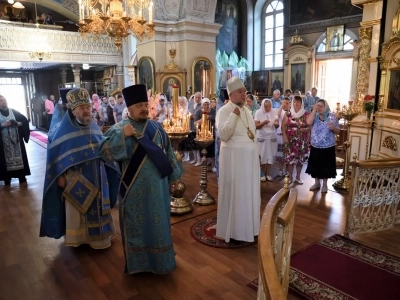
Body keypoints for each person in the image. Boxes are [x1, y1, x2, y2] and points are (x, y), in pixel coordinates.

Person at [98, 84, 183, 275]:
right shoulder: (119, 128)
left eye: (146, 104)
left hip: (159, 190)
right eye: (139, 105)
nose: (144, 108)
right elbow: (103, 152)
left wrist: (173, 178)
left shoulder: (157, 127)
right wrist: (122, 135)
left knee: (159, 226)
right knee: (137, 226)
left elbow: (168, 153)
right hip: (133, 190)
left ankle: (162, 261)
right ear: (129, 108)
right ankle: (140, 265)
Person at [40, 88, 120, 248]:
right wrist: (61, 176)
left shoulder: (94, 127)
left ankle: (100, 239)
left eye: (88, 107)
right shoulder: (63, 132)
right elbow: (57, 156)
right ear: (74, 111)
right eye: (82, 108)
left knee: (99, 207)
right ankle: (80, 240)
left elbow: (103, 148)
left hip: (99, 175)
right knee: (78, 210)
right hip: (76, 178)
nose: (86, 111)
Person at [216, 77, 260, 242]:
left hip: (249, 160)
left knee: (249, 193)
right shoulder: (224, 111)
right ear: (232, 94)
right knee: (237, 194)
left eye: (244, 91)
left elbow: (251, 134)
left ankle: (250, 228)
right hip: (235, 162)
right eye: (240, 91)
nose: (244, 94)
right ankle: (235, 231)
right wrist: (233, 116)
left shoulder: (247, 110)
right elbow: (224, 135)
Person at [306, 99, 340, 193]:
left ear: (326, 107)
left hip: (328, 146)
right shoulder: (315, 116)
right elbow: (308, 122)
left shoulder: (332, 116)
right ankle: (317, 183)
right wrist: (313, 110)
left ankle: (325, 185)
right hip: (315, 145)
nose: (319, 108)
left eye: (321, 106)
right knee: (315, 165)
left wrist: (334, 128)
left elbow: (338, 131)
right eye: (318, 106)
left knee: (326, 166)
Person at [0, 95, 30, 186]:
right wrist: (2, 125)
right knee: (4, 160)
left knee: (20, 158)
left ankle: (21, 176)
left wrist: (18, 123)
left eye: (4, 100)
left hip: (16, 141)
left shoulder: (14, 112)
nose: (4, 102)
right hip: (3, 143)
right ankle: (7, 178)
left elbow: (24, 121)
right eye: (1, 100)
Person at [282, 95, 310, 184]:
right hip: (290, 140)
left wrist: (305, 129)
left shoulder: (306, 114)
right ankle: (290, 177)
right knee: (291, 159)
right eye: (294, 101)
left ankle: (298, 177)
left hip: (302, 140)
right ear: (292, 103)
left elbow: (309, 127)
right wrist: (285, 137)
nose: (296, 103)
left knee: (300, 160)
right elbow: (283, 126)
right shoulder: (288, 113)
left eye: (298, 102)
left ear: (301, 103)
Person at [255, 99, 278, 182]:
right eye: (266, 106)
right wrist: (264, 122)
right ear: (262, 106)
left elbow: (277, 123)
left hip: (271, 136)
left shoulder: (274, 111)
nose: (268, 108)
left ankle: (268, 174)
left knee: (270, 155)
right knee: (262, 155)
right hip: (262, 136)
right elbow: (256, 126)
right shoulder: (258, 112)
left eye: (269, 106)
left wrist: (276, 124)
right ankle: (262, 174)